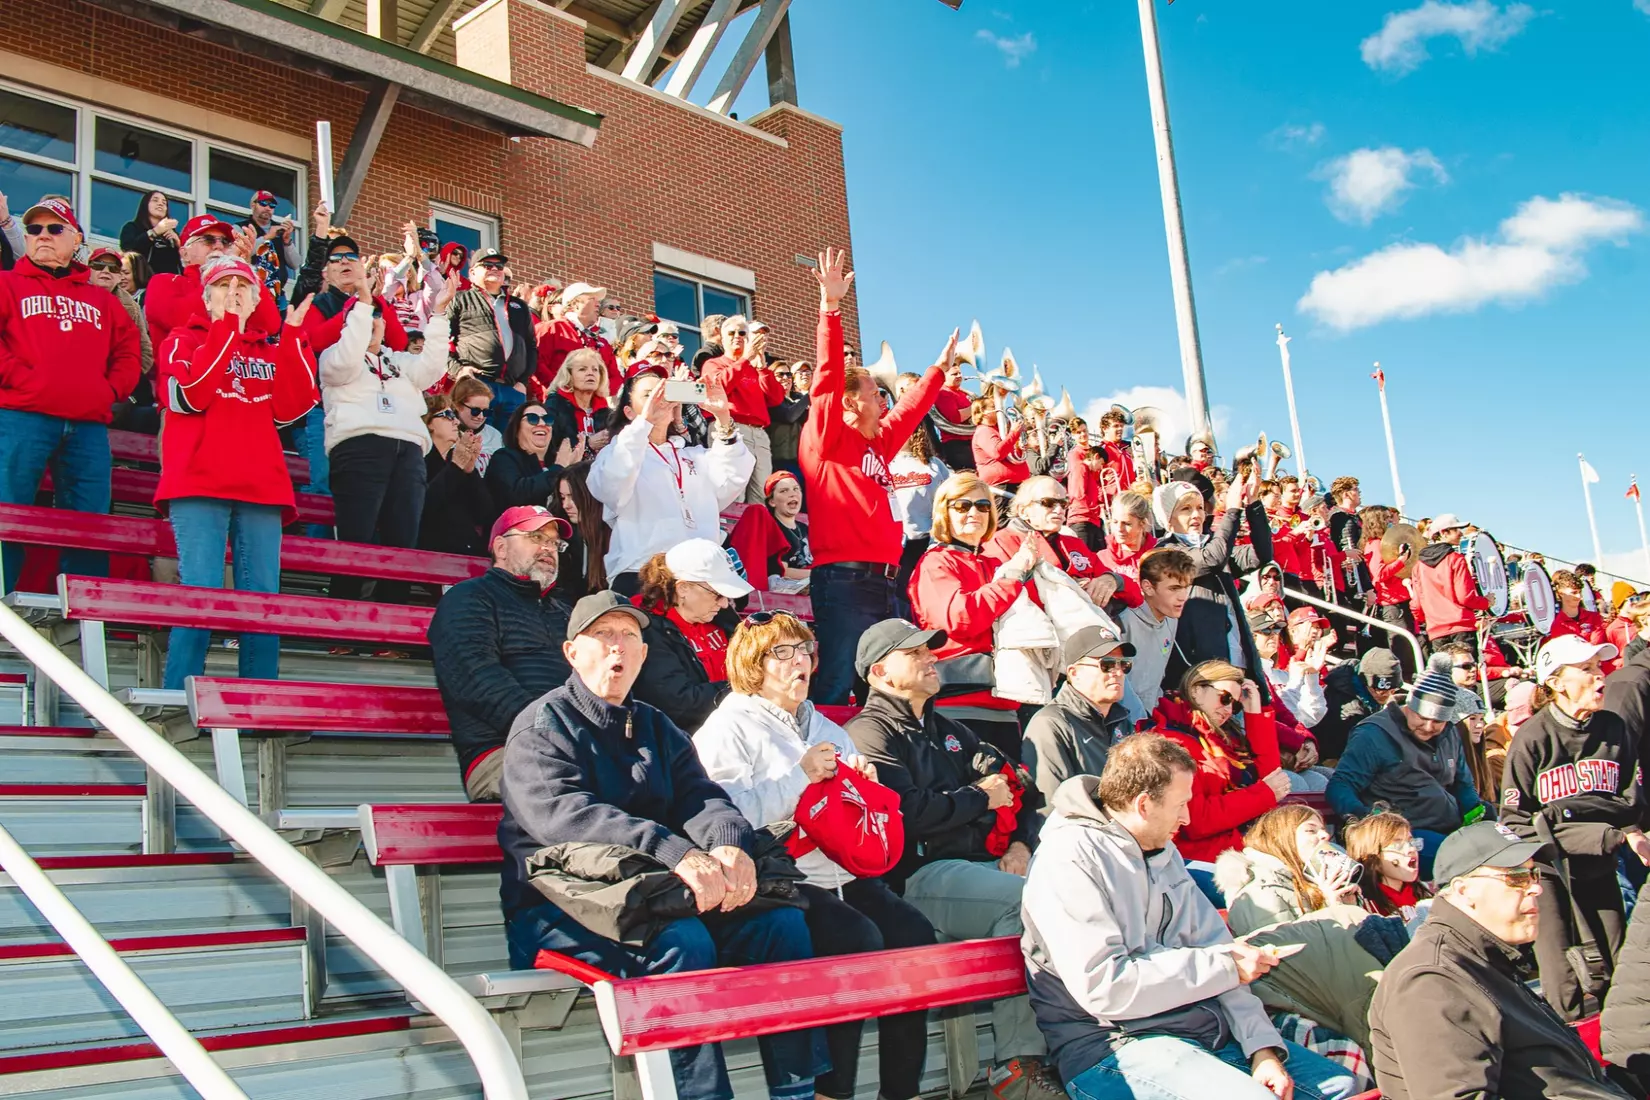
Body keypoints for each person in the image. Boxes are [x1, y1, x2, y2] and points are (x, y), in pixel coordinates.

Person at [499, 591, 826, 1100]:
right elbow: (566, 819)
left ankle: (797, 1091)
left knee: (780, 925)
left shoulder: (654, 723)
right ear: (571, 652)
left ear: (644, 654)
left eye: (629, 636)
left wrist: (728, 844)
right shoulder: (542, 726)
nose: (618, 648)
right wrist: (677, 852)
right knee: (682, 942)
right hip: (559, 906)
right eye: (603, 635)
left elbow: (702, 796)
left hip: (653, 894)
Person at [1021, 735, 1360, 1100]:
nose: (1186, 817)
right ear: (1144, 804)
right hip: (1112, 1047)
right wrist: (1225, 965)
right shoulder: (1068, 858)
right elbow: (1106, 986)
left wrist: (1261, 1047)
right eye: (1181, 804)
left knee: (1340, 1087)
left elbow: (1217, 947)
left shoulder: (1162, 852)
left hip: (1199, 1033)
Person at [692, 612, 938, 1100]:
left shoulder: (827, 725)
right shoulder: (729, 726)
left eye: (804, 649)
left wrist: (862, 788)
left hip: (841, 871)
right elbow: (723, 816)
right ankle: (831, 1092)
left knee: (914, 939)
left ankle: (901, 1092)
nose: (799, 661)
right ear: (753, 664)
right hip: (782, 880)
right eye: (782, 653)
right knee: (854, 940)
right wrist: (800, 777)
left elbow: (851, 813)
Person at [843, 619, 1055, 1100]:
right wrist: (979, 798)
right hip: (920, 877)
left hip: (985, 866)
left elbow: (1018, 786)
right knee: (1028, 903)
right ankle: (1016, 1067)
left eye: (929, 651)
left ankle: (1077, 1045)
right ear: (879, 671)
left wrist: (1021, 842)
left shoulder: (949, 728)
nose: (930, 658)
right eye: (914, 653)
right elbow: (908, 813)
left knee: (1079, 889)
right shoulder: (865, 733)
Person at [1366, 821, 1632, 1100]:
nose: (1535, 888)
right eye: (1516, 877)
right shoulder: (1432, 979)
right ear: (1464, 891)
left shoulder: (1485, 958)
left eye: (1534, 875)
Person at [153, 257, 317, 687]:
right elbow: (191, 395)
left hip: (262, 485)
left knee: (263, 600)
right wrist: (226, 328)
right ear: (206, 299)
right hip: (198, 481)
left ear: (257, 298)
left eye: (242, 285)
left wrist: (295, 336)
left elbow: (292, 408)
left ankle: (258, 700)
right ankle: (177, 697)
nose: (233, 292)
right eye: (223, 285)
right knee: (201, 592)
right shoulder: (180, 340)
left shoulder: (267, 348)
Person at [799, 249, 949, 705]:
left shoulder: (877, 442)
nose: (883, 402)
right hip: (844, 582)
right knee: (837, 684)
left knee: (886, 691)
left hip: (886, 580)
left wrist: (939, 371)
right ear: (849, 403)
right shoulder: (825, 437)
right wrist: (831, 309)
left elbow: (910, 411)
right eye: (872, 394)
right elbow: (826, 382)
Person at [1500, 634, 1650, 1020]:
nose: (1600, 678)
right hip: (1549, 870)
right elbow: (1516, 823)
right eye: (1586, 670)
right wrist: (1585, 827)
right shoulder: (1532, 738)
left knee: (1618, 963)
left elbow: (1629, 802)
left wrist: (1572, 817)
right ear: (1556, 682)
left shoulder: (1613, 728)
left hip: (1602, 861)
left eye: (1599, 668)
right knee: (1563, 978)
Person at [0, 197, 142, 593]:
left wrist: (112, 389)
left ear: (76, 238)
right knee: (6, 513)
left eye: (54, 228)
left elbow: (130, 350)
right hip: (20, 415)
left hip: (87, 424)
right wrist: (20, 379)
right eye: (34, 230)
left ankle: (85, 615)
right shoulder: (6, 283)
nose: (42, 236)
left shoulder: (100, 298)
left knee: (88, 523)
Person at [427, 505, 573, 800]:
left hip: (575, 748)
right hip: (503, 753)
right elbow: (478, 683)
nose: (548, 548)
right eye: (535, 537)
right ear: (501, 547)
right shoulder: (468, 598)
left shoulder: (567, 612)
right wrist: (562, 733)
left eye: (554, 542)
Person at [320, 283, 454, 602]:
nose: (372, 322)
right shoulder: (335, 357)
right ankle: (343, 622)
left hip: (408, 453)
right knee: (357, 538)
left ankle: (393, 629)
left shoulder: (400, 362)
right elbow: (346, 359)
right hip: (358, 450)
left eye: (377, 317)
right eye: (363, 316)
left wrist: (438, 314)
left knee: (403, 540)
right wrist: (362, 307)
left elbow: (432, 367)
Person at [909, 472, 1041, 758]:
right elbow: (961, 618)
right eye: (962, 506)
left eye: (983, 506)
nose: (974, 513)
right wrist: (1011, 580)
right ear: (945, 511)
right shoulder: (936, 562)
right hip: (957, 703)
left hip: (1009, 701)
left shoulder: (998, 563)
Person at [588, 368, 750, 593]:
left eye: (664, 392)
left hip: (699, 577)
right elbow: (610, 484)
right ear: (629, 412)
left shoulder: (692, 455)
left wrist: (723, 417)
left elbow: (733, 476)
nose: (659, 399)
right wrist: (644, 423)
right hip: (642, 573)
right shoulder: (615, 452)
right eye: (648, 395)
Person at [1326, 654, 1483, 877]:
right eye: (1422, 717)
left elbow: (1462, 784)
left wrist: (1475, 812)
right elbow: (1340, 785)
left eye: (1438, 721)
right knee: (1461, 859)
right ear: (1410, 705)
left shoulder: (1449, 734)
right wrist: (1368, 819)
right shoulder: (1374, 734)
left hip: (1451, 824)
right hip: (1407, 833)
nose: (1429, 727)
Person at [1148, 660, 1290, 863]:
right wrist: (1263, 794)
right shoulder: (1170, 740)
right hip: (1197, 857)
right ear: (1196, 690)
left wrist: (1253, 712)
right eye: (1224, 698)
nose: (1229, 709)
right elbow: (1196, 821)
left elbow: (1273, 778)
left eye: (1234, 703)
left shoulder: (1221, 737)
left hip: (1237, 845)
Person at [1153, 474, 1276, 697]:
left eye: (1200, 507)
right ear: (1168, 518)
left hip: (1237, 663)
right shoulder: (1164, 551)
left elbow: (1262, 554)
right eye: (1186, 509)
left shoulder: (1212, 543)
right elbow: (1212, 558)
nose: (1196, 514)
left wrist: (1253, 503)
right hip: (1202, 673)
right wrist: (1232, 510)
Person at [631, 540, 748, 732]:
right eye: (717, 593)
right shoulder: (647, 630)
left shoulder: (721, 617)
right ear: (683, 588)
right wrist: (750, 687)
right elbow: (679, 704)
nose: (725, 603)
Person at [1021, 626, 1136, 805]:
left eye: (1124, 664)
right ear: (1074, 673)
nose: (1119, 672)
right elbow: (1051, 806)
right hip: (1076, 830)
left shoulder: (1123, 722)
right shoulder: (1050, 724)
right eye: (1107, 665)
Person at [985, 476, 1131, 611]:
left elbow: (1133, 594)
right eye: (1048, 503)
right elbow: (999, 598)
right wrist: (1074, 589)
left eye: (1063, 503)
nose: (1059, 510)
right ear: (1023, 511)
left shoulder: (1074, 544)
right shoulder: (1000, 543)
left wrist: (1112, 580)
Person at [445, 249, 537, 429]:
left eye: (499, 266)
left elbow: (531, 346)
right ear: (472, 273)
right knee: (477, 444)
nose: (494, 269)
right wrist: (457, 371)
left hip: (513, 389)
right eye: (487, 265)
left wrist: (522, 381)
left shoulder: (519, 305)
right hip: (477, 385)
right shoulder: (460, 299)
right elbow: (439, 340)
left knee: (509, 447)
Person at [698, 316, 784, 503]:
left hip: (759, 434)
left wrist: (762, 368)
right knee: (733, 494)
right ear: (721, 337)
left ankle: (756, 532)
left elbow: (776, 398)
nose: (737, 336)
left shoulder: (754, 368)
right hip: (731, 429)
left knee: (761, 494)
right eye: (731, 333)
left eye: (742, 333)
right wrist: (745, 359)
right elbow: (718, 387)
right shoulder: (713, 364)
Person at [1117, 547, 1195, 718]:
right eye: (1174, 588)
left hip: (1151, 716)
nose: (1183, 597)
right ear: (1148, 587)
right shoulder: (1123, 621)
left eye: (1185, 588)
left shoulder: (1172, 619)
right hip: (1123, 720)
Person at [85, 246, 155, 430]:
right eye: (99, 265)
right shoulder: (74, 294)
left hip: (119, 383)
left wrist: (121, 381)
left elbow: (145, 351)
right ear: (88, 269)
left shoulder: (130, 305)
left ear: (119, 276)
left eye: (113, 268)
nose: (106, 272)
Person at [418, 397, 493, 557]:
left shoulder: (455, 461)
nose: (456, 422)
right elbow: (422, 506)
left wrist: (470, 471)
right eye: (447, 415)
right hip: (431, 558)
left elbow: (485, 513)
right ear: (428, 421)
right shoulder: (416, 460)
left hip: (468, 555)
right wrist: (456, 466)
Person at [890, 404, 951, 597]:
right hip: (897, 543)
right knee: (901, 595)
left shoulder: (934, 465)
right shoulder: (884, 463)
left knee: (929, 592)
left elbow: (948, 501)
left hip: (929, 539)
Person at [1412, 513, 1490, 656]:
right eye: (1456, 530)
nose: (1461, 533)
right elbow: (1465, 597)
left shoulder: (1418, 565)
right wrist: (1486, 602)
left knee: (1445, 675)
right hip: (1461, 626)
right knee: (1466, 673)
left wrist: (1428, 619)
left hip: (1436, 631)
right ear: (1443, 533)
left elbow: (1417, 604)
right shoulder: (1456, 559)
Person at [724, 471, 812, 591]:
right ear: (772, 502)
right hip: (783, 586)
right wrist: (815, 575)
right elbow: (783, 570)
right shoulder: (770, 527)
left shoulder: (804, 528)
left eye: (796, 489)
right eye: (784, 491)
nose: (792, 494)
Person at [1315, 647, 1401, 763]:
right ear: (1367, 682)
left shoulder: (1358, 681)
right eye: (1382, 691)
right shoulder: (1349, 712)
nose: (1388, 695)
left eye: (1393, 690)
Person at [535, 281, 621, 398]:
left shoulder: (602, 342)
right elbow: (536, 364)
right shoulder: (552, 329)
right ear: (574, 304)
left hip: (593, 410)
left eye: (598, 301)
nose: (598, 305)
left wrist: (595, 394)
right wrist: (559, 390)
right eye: (592, 299)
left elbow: (615, 377)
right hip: (558, 407)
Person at [1344, 809, 1431, 922]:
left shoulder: (1425, 893)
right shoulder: (1363, 904)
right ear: (1371, 857)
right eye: (1397, 845)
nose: (1411, 849)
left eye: (1411, 842)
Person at [485, 402, 569, 514]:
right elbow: (517, 496)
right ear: (516, 428)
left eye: (547, 419)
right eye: (532, 419)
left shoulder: (557, 460)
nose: (542, 423)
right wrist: (559, 468)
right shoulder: (503, 458)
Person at [550, 461, 609, 598]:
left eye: (572, 497)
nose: (566, 505)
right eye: (563, 497)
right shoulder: (563, 534)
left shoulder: (613, 533)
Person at [543, 347, 610, 460]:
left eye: (595, 370)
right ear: (569, 376)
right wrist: (588, 445)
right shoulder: (555, 405)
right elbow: (550, 449)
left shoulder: (605, 410)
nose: (590, 373)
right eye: (582, 369)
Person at [239, 189, 300, 311]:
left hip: (278, 296)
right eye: (263, 203)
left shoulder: (279, 229)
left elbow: (296, 263)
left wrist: (287, 240)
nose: (268, 208)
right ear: (253, 205)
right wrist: (266, 237)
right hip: (250, 292)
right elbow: (239, 253)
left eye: (272, 205)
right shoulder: (241, 227)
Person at [970, 389, 1030, 490]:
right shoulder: (983, 431)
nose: (999, 410)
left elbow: (1009, 453)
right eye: (994, 407)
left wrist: (1019, 448)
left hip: (1016, 484)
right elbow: (998, 453)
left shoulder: (997, 430)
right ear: (983, 412)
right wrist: (1014, 432)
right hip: (1002, 487)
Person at [447, 376, 505, 474]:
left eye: (486, 412)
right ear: (457, 405)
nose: (481, 416)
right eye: (475, 411)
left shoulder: (495, 436)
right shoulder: (445, 433)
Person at [118, 189, 181, 276]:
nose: (160, 204)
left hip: (168, 285)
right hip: (143, 283)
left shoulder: (173, 235)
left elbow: (185, 264)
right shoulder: (132, 227)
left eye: (164, 202)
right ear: (145, 205)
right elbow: (128, 249)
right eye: (155, 200)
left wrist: (179, 244)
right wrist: (154, 232)